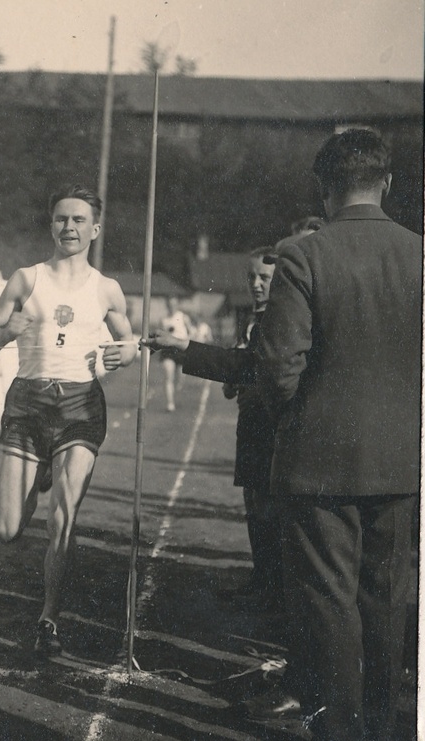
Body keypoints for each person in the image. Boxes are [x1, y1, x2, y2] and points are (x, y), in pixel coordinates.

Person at [254, 128, 420, 740]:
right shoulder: (418, 252)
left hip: (319, 460)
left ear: (324, 188)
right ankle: (382, 728)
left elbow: (277, 367)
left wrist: (297, 417)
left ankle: (339, 731)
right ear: (388, 184)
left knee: (328, 604)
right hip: (401, 460)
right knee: (385, 601)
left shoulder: (302, 254)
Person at [0, 185, 137, 656]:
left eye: (79, 220)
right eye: (62, 219)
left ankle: (49, 617)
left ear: (95, 229)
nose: (70, 227)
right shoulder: (26, 279)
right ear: (51, 225)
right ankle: (40, 468)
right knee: (6, 529)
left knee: (63, 515)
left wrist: (119, 355)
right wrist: (6, 331)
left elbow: (128, 345)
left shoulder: (107, 288)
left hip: (80, 407)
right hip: (28, 403)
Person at [146, 245, 284, 613]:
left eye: (264, 278)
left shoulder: (282, 319)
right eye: (251, 277)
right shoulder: (254, 317)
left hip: (273, 425)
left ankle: (275, 590)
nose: (256, 284)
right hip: (250, 420)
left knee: (271, 510)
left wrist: (183, 347)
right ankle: (262, 579)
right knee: (254, 506)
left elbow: (249, 366)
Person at [158, 296, 192, 411]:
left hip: (181, 349)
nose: (171, 307)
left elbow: (191, 331)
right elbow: (160, 334)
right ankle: (170, 403)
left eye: (174, 304)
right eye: (169, 304)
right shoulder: (163, 319)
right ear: (167, 305)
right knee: (168, 375)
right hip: (168, 350)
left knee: (180, 378)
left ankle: (177, 390)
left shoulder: (183, 317)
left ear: (177, 305)